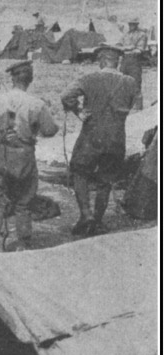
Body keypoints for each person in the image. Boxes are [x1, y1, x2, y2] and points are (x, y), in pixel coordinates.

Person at [0, 61, 59, 254]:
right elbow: (50, 130)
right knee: (23, 203)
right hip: (24, 158)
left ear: (12, 78)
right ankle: (22, 246)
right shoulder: (37, 104)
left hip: (1, 155)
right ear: (29, 80)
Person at [61, 44, 139, 237]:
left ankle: (86, 215)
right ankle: (97, 221)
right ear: (118, 61)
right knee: (106, 180)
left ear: (101, 61)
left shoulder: (89, 79)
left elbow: (65, 95)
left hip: (91, 135)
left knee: (80, 172)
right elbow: (135, 105)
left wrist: (78, 111)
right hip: (116, 138)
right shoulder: (130, 82)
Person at [119, 19, 147, 110]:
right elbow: (119, 46)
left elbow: (139, 50)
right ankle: (126, 105)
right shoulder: (126, 35)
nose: (131, 25)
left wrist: (126, 49)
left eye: (133, 24)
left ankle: (138, 107)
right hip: (124, 61)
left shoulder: (142, 35)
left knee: (135, 83)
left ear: (137, 24)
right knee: (123, 83)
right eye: (130, 23)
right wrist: (129, 48)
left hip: (135, 62)